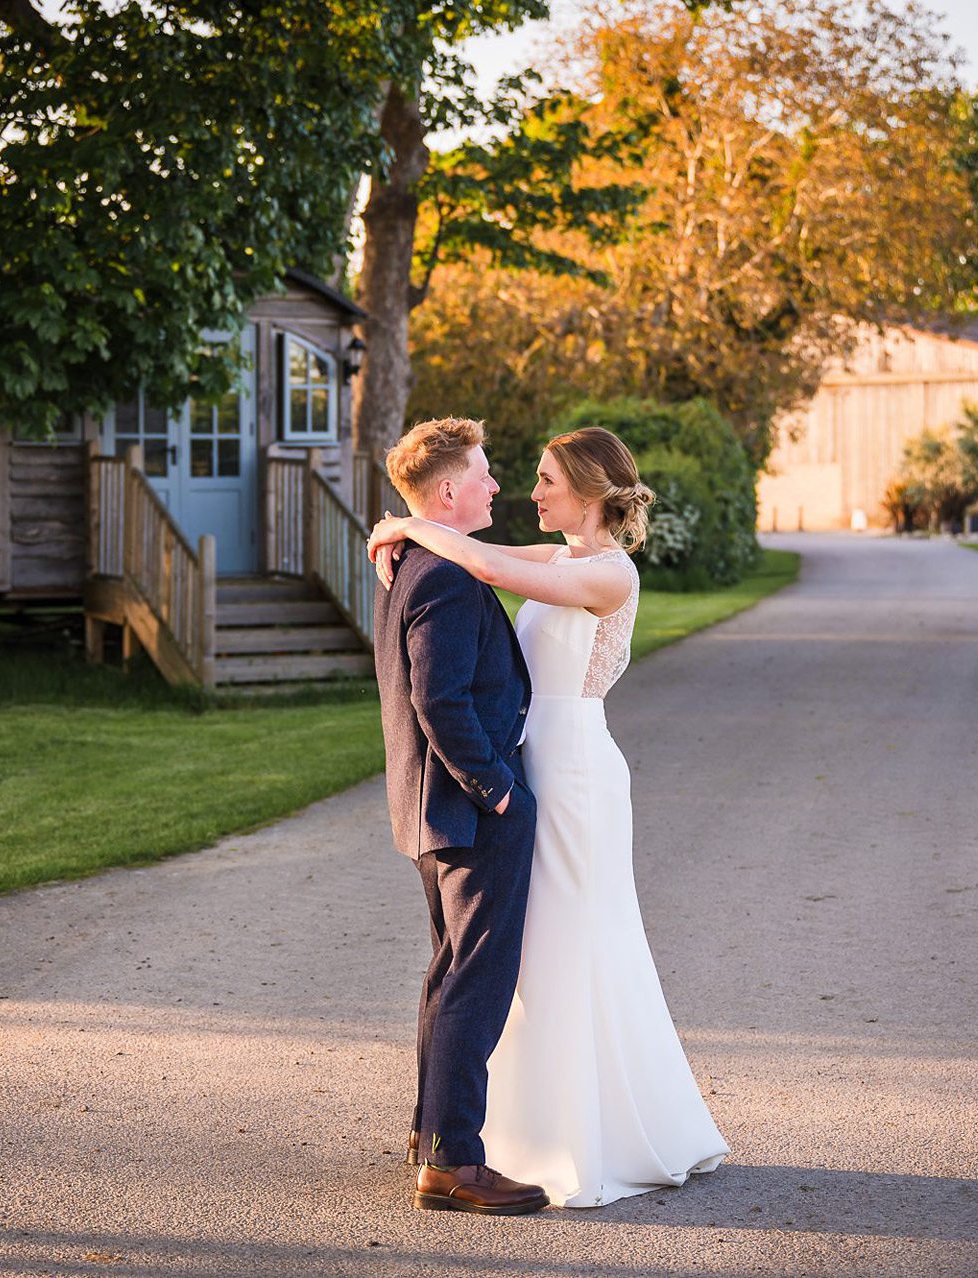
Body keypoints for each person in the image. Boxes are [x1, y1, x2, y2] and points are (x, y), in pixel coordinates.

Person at [369, 424, 727, 1209]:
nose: (528, 492)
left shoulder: (611, 576)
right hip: (526, 771)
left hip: (575, 773)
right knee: (504, 960)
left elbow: (487, 564)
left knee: (564, 944)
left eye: (545, 481)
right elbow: (483, 563)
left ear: (590, 491)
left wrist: (408, 523)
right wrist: (411, 522)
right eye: (520, 477)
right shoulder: (562, 558)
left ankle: (569, 1130)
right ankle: (457, 1139)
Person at [372, 417, 549, 1215]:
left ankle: (432, 1136)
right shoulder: (440, 575)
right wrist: (496, 789)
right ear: (449, 491)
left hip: (432, 813)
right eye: (483, 472)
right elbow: (437, 699)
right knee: (477, 979)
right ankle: (454, 1162)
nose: (496, 485)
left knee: (450, 974)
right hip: (469, 812)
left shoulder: (416, 558)